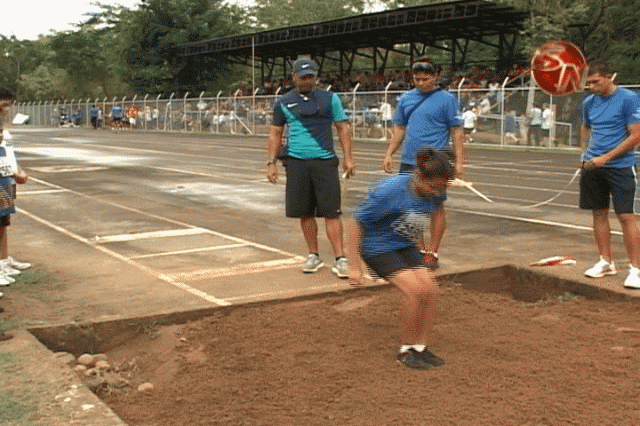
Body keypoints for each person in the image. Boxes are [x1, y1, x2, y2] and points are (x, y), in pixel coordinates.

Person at [346, 147, 454, 369]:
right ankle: (405, 350)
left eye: (442, 187)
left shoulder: (437, 190)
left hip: (405, 244)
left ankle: (420, 347)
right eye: (434, 187)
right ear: (420, 178)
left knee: (430, 291)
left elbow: (438, 215)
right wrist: (354, 265)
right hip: (378, 246)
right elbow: (355, 223)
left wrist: (432, 249)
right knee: (415, 292)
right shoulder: (389, 191)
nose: (437, 192)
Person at [266, 57, 356, 278]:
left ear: (316, 77)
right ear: (293, 77)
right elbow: (276, 133)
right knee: (305, 213)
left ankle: (340, 258)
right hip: (296, 163)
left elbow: (343, 128)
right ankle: (313, 255)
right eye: (302, 76)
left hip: (325, 161)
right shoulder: (284, 102)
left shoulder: (330, 99)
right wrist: (271, 162)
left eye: (310, 76)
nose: (306, 80)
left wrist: (348, 158)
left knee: (331, 212)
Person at [383, 57, 463, 269]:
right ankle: (418, 250)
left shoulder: (447, 100)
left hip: (436, 162)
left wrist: (460, 163)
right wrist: (390, 153)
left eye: (425, 78)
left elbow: (456, 131)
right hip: (410, 160)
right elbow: (399, 128)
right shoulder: (406, 99)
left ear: (435, 76)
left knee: (436, 205)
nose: (421, 82)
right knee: (411, 206)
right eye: (417, 79)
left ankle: (433, 251)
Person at [579, 62, 640, 289]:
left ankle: (636, 268)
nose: (592, 87)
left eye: (596, 82)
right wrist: (584, 153)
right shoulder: (588, 102)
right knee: (598, 214)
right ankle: (606, 261)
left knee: (626, 216)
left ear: (608, 77)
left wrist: (606, 158)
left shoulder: (629, 98)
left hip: (620, 166)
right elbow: (585, 126)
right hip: (593, 166)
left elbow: (636, 136)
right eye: (589, 83)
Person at [0, 87, 31, 290]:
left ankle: (3, 261)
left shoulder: (2, 125)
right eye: (3, 105)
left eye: (9, 106)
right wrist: (13, 173)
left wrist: (17, 170)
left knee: (3, 220)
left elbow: (7, 152)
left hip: (5, 178)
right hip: (3, 175)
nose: (7, 110)